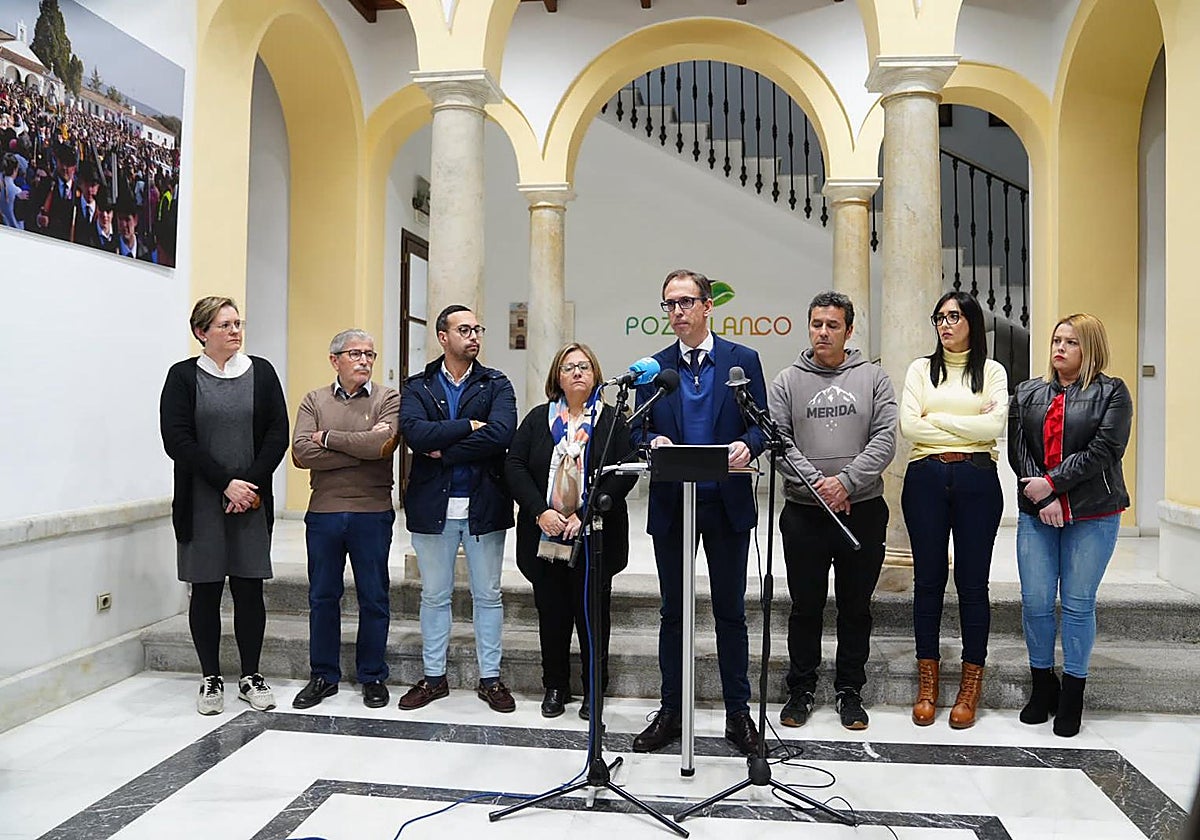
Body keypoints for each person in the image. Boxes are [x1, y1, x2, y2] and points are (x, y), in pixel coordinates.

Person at [629, 269, 766, 756]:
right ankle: (671, 712)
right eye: (669, 303)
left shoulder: (741, 361)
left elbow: (761, 428)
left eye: (686, 301)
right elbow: (633, 433)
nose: (677, 311)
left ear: (709, 305)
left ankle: (738, 715)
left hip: (725, 504)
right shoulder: (654, 369)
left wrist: (747, 447)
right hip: (673, 505)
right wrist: (652, 442)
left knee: (731, 614)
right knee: (673, 614)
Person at [767, 291, 897, 731]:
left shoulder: (874, 378)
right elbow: (779, 443)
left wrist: (844, 483)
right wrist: (820, 488)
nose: (823, 332)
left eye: (832, 325)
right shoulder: (786, 381)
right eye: (817, 324)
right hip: (804, 515)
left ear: (849, 330)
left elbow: (885, 440)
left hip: (860, 509)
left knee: (855, 607)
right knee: (805, 607)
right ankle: (801, 689)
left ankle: (849, 691)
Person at [159, 297, 289, 715]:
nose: (235, 331)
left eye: (238, 323)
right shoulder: (182, 377)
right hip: (201, 501)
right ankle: (211, 677)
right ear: (202, 332)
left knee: (249, 588)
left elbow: (277, 434)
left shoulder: (262, 373)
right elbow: (177, 440)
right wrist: (225, 484)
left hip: (250, 500)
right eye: (225, 324)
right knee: (207, 590)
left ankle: (251, 676)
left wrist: (248, 485)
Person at [1009, 313, 1131, 737]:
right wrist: (1041, 493)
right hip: (1037, 511)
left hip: (1093, 513)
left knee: (1078, 604)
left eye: (1071, 342)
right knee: (1037, 602)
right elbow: (1018, 450)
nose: (1059, 348)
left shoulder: (1112, 393)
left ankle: (1073, 693)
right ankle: (1043, 686)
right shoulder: (1027, 392)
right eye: (1056, 340)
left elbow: (1105, 450)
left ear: (1090, 348)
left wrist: (1054, 486)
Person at [505, 343, 637, 719]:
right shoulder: (537, 420)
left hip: (596, 534)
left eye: (584, 366)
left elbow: (624, 472)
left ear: (595, 374)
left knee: (593, 615)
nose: (577, 372)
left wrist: (588, 511)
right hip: (545, 534)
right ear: (557, 378)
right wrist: (540, 511)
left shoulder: (612, 421)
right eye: (568, 367)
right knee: (552, 613)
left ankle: (595, 687)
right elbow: (514, 466)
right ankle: (555, 686)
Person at [398, 305, 518, 713]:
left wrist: (442, 452)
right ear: (443, 336)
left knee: (488, 595)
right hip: (433, 505)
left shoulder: (496, 383)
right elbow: (414, 434)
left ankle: (491, 679)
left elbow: (502, 435)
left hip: (485, 502)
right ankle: (434, 678)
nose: (474, 336)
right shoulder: (418, 385)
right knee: (434, 596)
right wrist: (468, 427)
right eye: (464, 329)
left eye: (477, 329)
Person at [899, 291, 1008, 729]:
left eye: (954, 317)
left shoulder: (993, 372)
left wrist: (937, 419)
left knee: (972, 583)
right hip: (925, 477)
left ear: (972, 323)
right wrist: (966, 425)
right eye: (939, 317)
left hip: (978, 480)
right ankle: (928, 684)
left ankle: (969, 686)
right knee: (927, 580)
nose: (945, 325)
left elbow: (994, 426)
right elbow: (909, 426)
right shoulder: (920, 369)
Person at [291, 329, 400, 710]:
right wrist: (361, 449)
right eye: (356, 353)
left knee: (374, 597)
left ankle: (372, 676)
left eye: (370, 354)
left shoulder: (387, 397)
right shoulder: (314, 399)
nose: (365, 361)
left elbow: (382, 445)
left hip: (372, 512)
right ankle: (323, 675)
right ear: (334, 359)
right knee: (322, 597)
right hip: (323, 512)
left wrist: (329, 439)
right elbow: (301, 452)